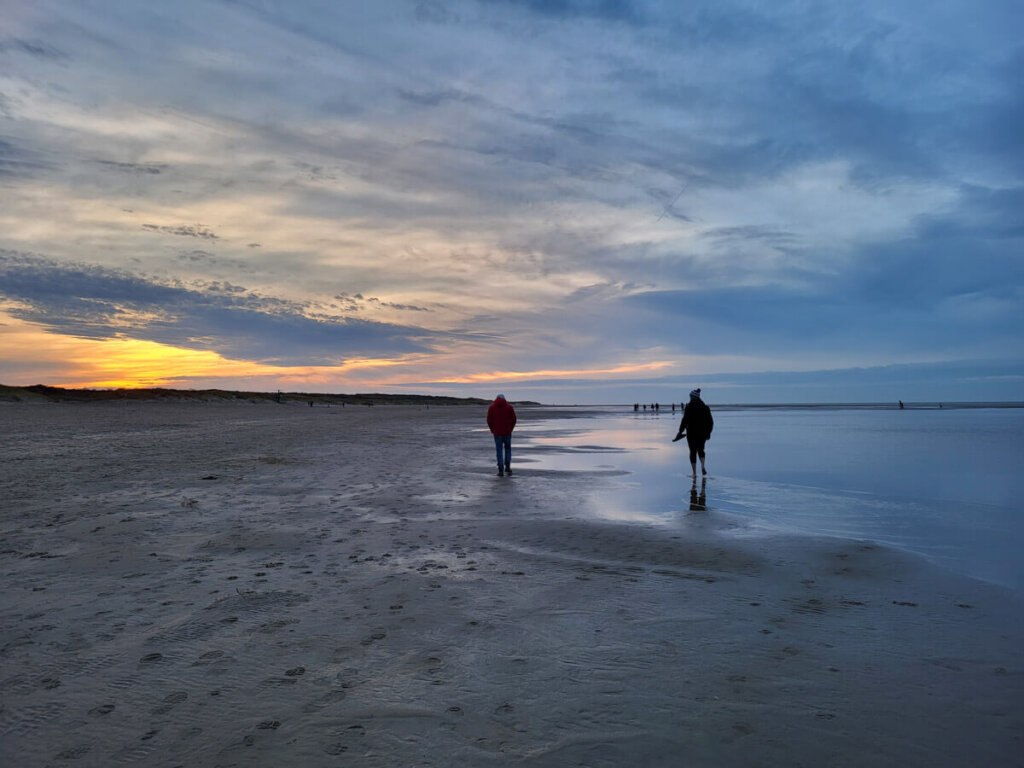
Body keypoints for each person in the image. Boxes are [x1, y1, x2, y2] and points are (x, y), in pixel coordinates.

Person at [673, 388, 713, 476]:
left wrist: (680, 431)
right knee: (701, 449)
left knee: (692, 451)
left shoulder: (689, 407)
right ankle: (703, 466)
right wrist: (708, 433)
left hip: (691, 433)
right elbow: (710, 422)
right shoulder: (705, 407)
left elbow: (684, 420)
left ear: (692, 397)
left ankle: (694, 473)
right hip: (703, 433)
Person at [486, 393, 517, 477]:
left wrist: (492, 429)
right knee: (508, 449)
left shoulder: (492, 407)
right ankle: (507, 466)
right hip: (507, 432)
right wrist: (510, 429)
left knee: (499, 450)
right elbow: (514, 419)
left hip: (497, 433)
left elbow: (489, 420)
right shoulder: (509, 407)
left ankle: (500, 470)